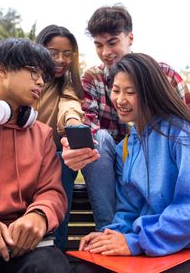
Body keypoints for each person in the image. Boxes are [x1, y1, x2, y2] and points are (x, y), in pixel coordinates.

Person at [61, 4, 190, 232]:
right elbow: (86, 126)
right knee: (99, 139)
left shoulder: (164, 76)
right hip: (116, 166)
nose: (105, 52)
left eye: (112, 42)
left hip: (164, 171)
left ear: (129, 38)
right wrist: (76, 148)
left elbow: (184, 127)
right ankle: (110, 230)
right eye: (99, 45)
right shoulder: (93, 78)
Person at [0, 38, 71, 272]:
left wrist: (39, 216)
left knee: (52, 266)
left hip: (23, 249)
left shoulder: (41, 134)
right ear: (3, 70)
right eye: (33, 72)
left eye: (44, 77)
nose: (40, 81)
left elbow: (52, 192)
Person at [79, 52, 190, 258]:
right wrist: (108, 235)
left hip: (177, 248)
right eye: (116, 90)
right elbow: (129, 209)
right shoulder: (126, 147)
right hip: (150, 247)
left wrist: (138, 241)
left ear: (151, 92)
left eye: (130, 92)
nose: (120, 100)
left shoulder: (180, 134)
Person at [34, 25, 85, 252]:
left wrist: (74, 125)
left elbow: (70, 106)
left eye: (67, 54)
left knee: (60, 160)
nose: (60, 59)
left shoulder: (67, 85)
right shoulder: (23, 82)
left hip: (51, 163)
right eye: (53, 52)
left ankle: (56, 248)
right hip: (18, 157)